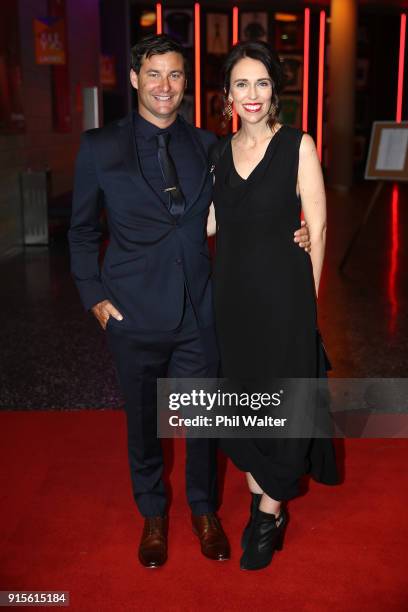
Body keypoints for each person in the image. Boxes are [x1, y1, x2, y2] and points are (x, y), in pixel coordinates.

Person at [69, 33, 311, 569]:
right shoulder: (99, 147)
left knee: (206, 422)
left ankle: (205, 512)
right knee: (144, 422)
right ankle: (153, 515)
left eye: (176, 75)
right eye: (154, 74)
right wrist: (94, 297)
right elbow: (82, 231)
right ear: (133, 79)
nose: (165, 86)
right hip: (131, 313)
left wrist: (297, 234)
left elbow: (244, 208)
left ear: (187, 84)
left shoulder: (208, 147)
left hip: (201, 311)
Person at [207, 41, 339, 571]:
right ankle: (268, 499)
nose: (252, 94)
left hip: (285, 302)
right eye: (242, 84)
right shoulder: (217, 153)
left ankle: (266, 514)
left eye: (261, 82)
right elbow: (213, 221)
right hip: (232, 303)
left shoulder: (297, 146)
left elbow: (320, 225)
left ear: (274, 90)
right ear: (228, 94)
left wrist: (308, 306)